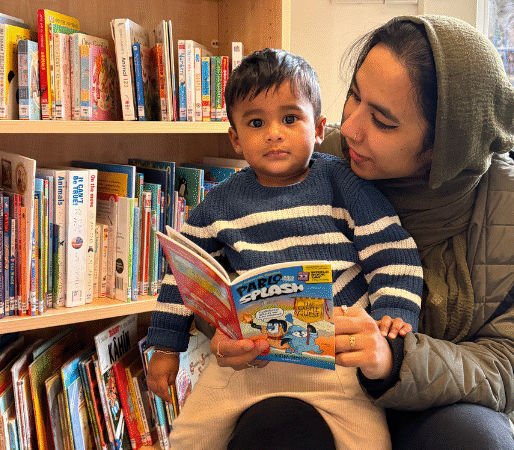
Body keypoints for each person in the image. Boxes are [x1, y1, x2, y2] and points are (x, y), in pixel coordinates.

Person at [179, 15, 514, 450]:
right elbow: (230, 274)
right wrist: (223, 333)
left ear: (442, 144)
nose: (352, 128)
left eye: (382, 120)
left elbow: (510, 366)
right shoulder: (306, 155)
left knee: (470, 438)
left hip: (445, 407)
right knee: (273, 425)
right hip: (316, 384)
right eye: (353, 97)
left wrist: (396, 358)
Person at [146, 48, 424, 449]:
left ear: (318, 128)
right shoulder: (219, 203)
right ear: (236, 138)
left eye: (290, 118)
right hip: (249, 360)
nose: (274, 132)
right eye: (256, 122)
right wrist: (166, 346)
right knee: (188, 438)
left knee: (372, 443)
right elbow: (183, 272)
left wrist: (393, 314)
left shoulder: (343, 183)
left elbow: (392, 250)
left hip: (336, 361)